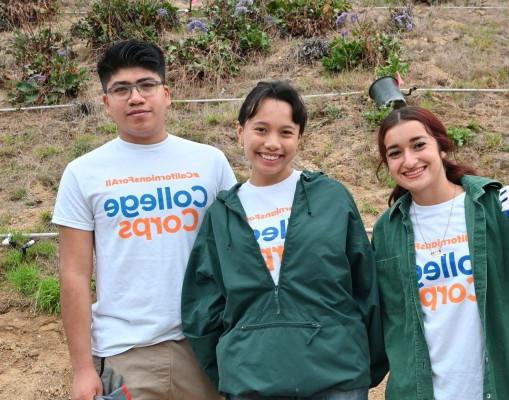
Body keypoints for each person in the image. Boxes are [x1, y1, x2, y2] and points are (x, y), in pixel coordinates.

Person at [52, 39, 236, 400]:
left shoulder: (209, 162)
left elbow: (237, 251)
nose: (135, 97)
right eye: (121, 89)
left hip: (205, 345)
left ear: (166, 94)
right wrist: (82, 369)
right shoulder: (82, 173)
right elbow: (73, 273)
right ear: (106, 103)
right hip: (125, 354)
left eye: (146, 85)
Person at [181, 80, 388, 399]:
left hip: (337, 379)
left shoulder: (330, 199)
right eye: (261, 130)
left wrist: (361, 364)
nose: (272, 143)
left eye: (285, 132)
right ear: (240, 132)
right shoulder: (221, 214)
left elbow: (367, 288)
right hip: (251, 382)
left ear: (299, 138)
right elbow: (202, 308)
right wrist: (233, 365)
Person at [371, 106, 509, 400]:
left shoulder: (495, 206)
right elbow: (388, 321)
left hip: (505, 386)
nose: (409, 160)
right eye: (395, 153)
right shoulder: (387, 230)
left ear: (441, 147)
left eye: (418, 145)